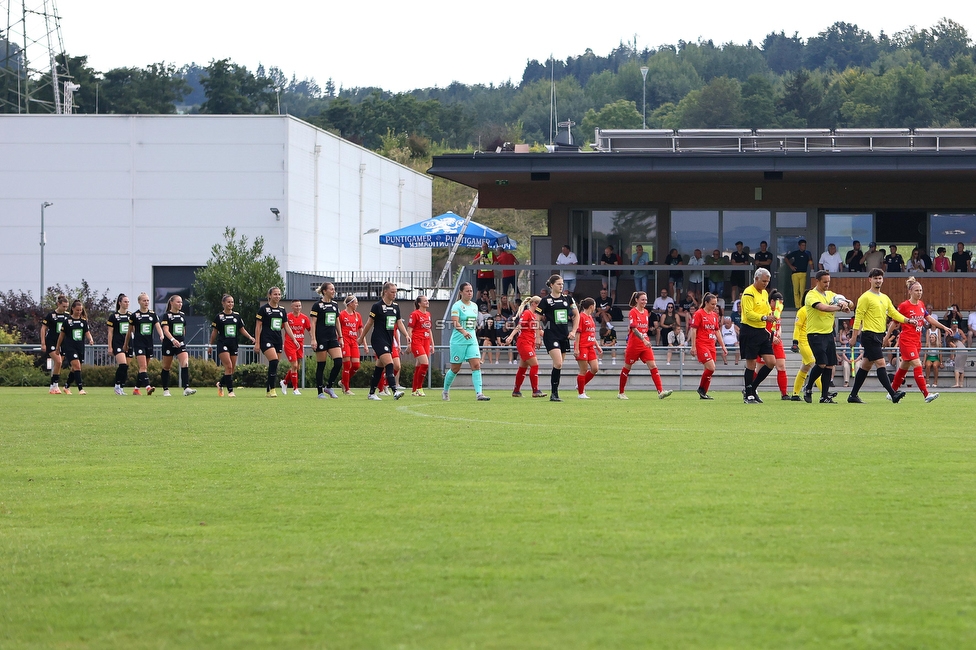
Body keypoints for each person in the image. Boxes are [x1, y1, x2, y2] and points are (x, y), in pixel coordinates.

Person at [847, 269, 910, 404]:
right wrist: (854, 336)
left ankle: (853, 395)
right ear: (870, 280)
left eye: (880, 278)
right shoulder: (865, 297)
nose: (878, 281)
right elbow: (858, 318)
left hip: (879, 335)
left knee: (866, 366)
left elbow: (894, 313)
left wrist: (907, 320)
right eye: (875, 278)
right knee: (881, 363)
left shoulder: (885, 298)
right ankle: (893, 393)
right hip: (869, 335)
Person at [886, 276, 952, 402]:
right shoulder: (904, 306)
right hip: (906, 340)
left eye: (920, 290)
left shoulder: (921, 305)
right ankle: (926, 394)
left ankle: (891, 392)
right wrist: (887, 336)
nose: (919, 293)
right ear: (910, 291)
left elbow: (928, 318)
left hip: (916, 341)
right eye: (916, 290)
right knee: (917, 365)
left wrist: (944, 327)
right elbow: (894, 323)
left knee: (904, 367)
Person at [801, 271, 853, 404]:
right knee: (821, 363)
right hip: (815, 334)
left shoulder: (831, 295)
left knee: (829, 365)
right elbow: (822, 307)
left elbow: (851, 303)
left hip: (829, 334)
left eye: (828, 281)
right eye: (824, 282)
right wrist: (839, 308)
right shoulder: (811, 295)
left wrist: (845, 303)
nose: (827, 284)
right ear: (817, 281)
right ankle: (808, 387)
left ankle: (824, 396)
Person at [358, 282, 410, 401]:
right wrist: (361, 338)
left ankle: (371, 393)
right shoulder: (377, 306)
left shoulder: (396, 307)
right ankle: (394, 390)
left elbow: (399, 323)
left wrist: (406, 335)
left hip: (388, 340)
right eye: (392, 292)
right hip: (378, 339)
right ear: (385, 291)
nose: (394, 294)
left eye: (396, 292)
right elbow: (369, 323)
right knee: (390, 364)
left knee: (379, 368)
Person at [617, 291, 672, 400]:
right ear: (637, 300)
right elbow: (634, 328)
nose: (644, 302)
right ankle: (621, 392)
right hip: (634, 344)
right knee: (627, 368)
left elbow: (643, 329)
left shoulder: (646, 312)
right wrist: (643, 339)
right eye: (642, 299)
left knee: (653, 366)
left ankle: (660, 391)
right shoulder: (633, 312)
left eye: (646, 300)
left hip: (645, 344)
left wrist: (645, 338)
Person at [442, 281, 490, 401]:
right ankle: (445, 391)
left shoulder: (474, 305)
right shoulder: (456, 306)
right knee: (455, 368)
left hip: (472, 339)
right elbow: (455, 322)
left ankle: (479, 393)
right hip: (459, 340)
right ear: (461, 292)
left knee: (476, 365)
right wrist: (463, 332)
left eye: (471, 290)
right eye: (467, 291)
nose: (470, 293)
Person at [535, 274, 578, 402]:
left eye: (562, 284)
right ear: (552, 285)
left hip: (563, 335)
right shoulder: (545, 301)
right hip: (550, 335)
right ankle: (554, 393)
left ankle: (554, 393)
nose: (561, 286)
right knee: (558, 362)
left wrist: (574, 331)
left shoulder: (568, 299)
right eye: (559, 284)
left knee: (558, 365)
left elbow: (577, 315)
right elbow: (537, 318)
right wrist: (538, 336)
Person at [739, 268, 777, 403]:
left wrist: (771, 316)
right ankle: (748, 394)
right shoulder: (749, 293)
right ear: (756, 279)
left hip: (761, 331)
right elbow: (748, 313)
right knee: (751, 363)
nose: (766, 284)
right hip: (749, 330)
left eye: (767, 281)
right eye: (763, 281)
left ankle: (752, 388)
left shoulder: (765, 293)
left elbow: (766, 309)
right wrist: (765, 317)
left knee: (771, 362)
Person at [254, 286, 299, 398]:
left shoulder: (282, 310)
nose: (277, 296)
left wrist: (294, 339)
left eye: (279, 294)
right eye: (275, 294)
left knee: (274, 365)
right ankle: (273, 389)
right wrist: (257, 343)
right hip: (266, 339)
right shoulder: (264, 309)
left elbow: (287, 326)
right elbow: (258, 326)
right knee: (273, 361)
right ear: (269, 295)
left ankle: (268, 389)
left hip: (278, 340)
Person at [209, 294, 255, 398]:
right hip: (222, 344)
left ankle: (220, 384)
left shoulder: (236, 316)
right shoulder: (219, 317)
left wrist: (250, 337)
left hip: (233, 344)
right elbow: (214, 332)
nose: (231, 304)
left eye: (232, 302)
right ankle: (230, 391)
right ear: (223, 303)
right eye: (228, 302)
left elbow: (241, 329)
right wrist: (210, 345)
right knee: (228, 366)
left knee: (231, 369)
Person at [308, 282, 345, 399]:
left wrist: (341, 337)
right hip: (321, 338)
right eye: (331, 289)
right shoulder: (317, 305)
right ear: (324, 291)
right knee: (321, 365)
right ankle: (320, 392)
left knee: (339, 362)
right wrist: (313, 339)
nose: (333, 291)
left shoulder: (335, 305)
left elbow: (337, 321)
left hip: (332, 338)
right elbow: (313, 323)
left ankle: (329, 386)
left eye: (334, 289)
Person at [506, 295, 546, 398]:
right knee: (535, 365)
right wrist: (511, 336)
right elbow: (519, 326)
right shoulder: (527, 313)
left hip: (530, 343)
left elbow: (539, 331)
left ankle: (516, 391)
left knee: (523, 368)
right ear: (534, 304)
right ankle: (535, 390)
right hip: (524, 342)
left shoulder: (535, 316)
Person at [689, 292, 727, 399]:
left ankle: (703, 393)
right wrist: (693, 346)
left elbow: (717, 331)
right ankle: (701, 388)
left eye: (715, 304)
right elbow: (694, 329)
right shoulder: (699, 313)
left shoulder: (714, 315)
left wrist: (723, 345)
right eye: (712, 304)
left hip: (711, 345)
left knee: (708, 370)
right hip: (701, 344)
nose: (714, 307)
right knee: (711, 368)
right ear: (706, 303)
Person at [127, 292, 164, 396]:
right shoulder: (134, 316)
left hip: (149, 343)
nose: (146, 302)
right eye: (144, 300)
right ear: (139, 302)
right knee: (143, 366)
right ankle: (148, 387)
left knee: (144, 368)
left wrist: (161, 336)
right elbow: (129, 331)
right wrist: (126, 344)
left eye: (147, 300)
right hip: (139, 343)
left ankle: (136, 389)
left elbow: (158, 327)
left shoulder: (152, 314)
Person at [55, 299, 95, 395]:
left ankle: (66, 386)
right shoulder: (67, 321)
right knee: (77, 366)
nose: (79, 312)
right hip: (70, 347)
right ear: (72, 309)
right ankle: (80, 389)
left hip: (80, 347)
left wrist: (90, 339)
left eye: (80, 310)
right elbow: (61, 336)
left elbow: (87, 332)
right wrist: (57, 347)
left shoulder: (83, 321)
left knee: (75, 368)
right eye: (77, 310)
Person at [159, 295, 196, 397]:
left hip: (180, 343)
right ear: (172, 303)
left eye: (181, 302)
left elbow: (183, 330)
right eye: (178, 302)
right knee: (166, 367)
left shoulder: (182, 315)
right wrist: (172, 339)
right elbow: (165, 330)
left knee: (185, 362)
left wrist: (181, 340)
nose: (180, 304)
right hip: (169, 343)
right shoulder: (166, 315)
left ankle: (186, 388)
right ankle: (166, 390)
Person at [790, 292, 823, 400]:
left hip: (811, 342)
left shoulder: (814, 311)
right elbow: (797, 327)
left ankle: (795, 394)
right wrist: (795, 342)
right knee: (816, 365)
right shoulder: (803, 311)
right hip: (803, 342)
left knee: (804, 369)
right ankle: (825, 392)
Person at [759, 289, 790, 400]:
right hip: (765, 342)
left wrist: (779, 334)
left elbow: (778, 325)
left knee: (781, 366)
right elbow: (762, 327)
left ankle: (784, 393)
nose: (781, 305)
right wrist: (772, 337)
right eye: (779, 302)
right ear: (772, 302)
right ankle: (750, 388)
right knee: (759, 368)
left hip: (777, 342)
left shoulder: (778, 312)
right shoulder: (766, 311)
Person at [40, 294, 70, 394]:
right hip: (52, 342)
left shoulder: (67, 316)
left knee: (58, 364)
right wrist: (43, 343)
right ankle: (55, 385)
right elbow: (43, 328)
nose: (65, 308)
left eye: (66, 307)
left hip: (63, 343)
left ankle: (52, 386)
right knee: (58, 362)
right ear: (58, 304)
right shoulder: (51, 315)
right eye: (63, 306)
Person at [574, 297, 602, 398]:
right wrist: (577, 348)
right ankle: (581, 393)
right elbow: (578, 334)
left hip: (590, 347)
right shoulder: (581, 317)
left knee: (595, 368)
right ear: (591, 306)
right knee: (583, 369)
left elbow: (591, 334)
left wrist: (597, 346)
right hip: (582, 346)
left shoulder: (590, 317)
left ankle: (580, 384)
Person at [283, 299, 311, 395]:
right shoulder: (287, 317)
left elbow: (309, 329)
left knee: (297, 367)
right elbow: (280, 327)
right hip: (290, 343)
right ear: (292, 307)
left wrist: (313, 339)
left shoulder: (304, 318)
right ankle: (295, 389)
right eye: (296, 306)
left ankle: (285, 382)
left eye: (299, 306)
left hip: (300, 344)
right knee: (294, 365)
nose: (298, 307)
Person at [338, 296, 363, 396]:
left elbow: (361, 329)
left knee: (356, 365)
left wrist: (364, 343)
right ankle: (347, 389)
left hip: (354, 342)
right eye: (356, 303)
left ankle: (343, 381)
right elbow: (337, 327)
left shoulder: (357, 315)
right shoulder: (342, 314)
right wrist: (340, 339)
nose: (357, 304)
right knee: (347, 365)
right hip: (345, 341)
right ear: (350, 304)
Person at [408, 295, 433, 396]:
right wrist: (409, 343)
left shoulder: (428, 314)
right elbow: (410, 329)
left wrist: (432, 344)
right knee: (425, 364)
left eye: (427, 300)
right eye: (425, 301)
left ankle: (414, 390)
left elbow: (429, 329)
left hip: (426, 341)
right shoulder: (415, 314)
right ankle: (420, 388)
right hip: (417, 341)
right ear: (419, 303)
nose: (427, 302)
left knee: (418, 365)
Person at [106, 294, 130, 396]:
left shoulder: (130, 316)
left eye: (128, 302)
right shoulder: (114, 316)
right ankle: (117, 386)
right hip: (118, 343)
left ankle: (121, 387)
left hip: (128, 344)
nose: (127, 303)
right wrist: (110, 346)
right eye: (125, 301)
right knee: (123, 365)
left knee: (126, 367)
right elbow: (110, 332)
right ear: (120, 303)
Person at [785, 239, 812, 309]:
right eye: (802, 245)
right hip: (795, 274)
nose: (804, 247)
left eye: (805, 245)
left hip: (803, 273)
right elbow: (786, 258)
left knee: (802, 290)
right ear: (799, 246)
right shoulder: (795, 253)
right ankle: (797, 306)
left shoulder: (807, 253)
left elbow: (810, 262)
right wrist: (791, 266)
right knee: (796, 290)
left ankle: (801, 305)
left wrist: (812, 269)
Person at [836, 318, 853, 387]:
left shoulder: (850, 330)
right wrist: (845, 343)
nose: (844, 325)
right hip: (844, 345)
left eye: (845, 323)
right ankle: (846, 382)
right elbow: (840, 339)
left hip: (851, 344)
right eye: (843, 324)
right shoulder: (841, 331)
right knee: (845, 364)